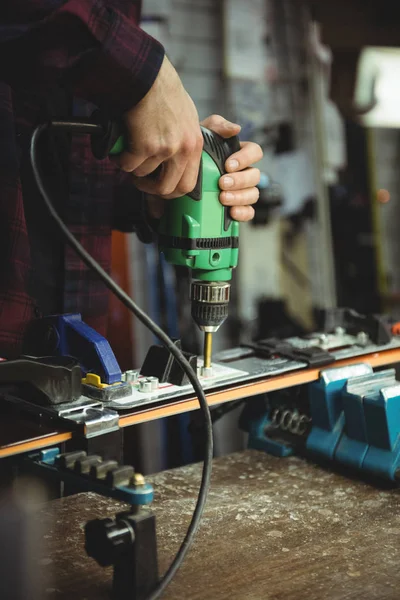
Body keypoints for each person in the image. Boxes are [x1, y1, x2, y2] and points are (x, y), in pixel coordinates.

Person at [0, 1, 263, 359]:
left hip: (60, 336)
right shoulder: (133, 56)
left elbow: (66, 155)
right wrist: (146, 76)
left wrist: (165, 182)